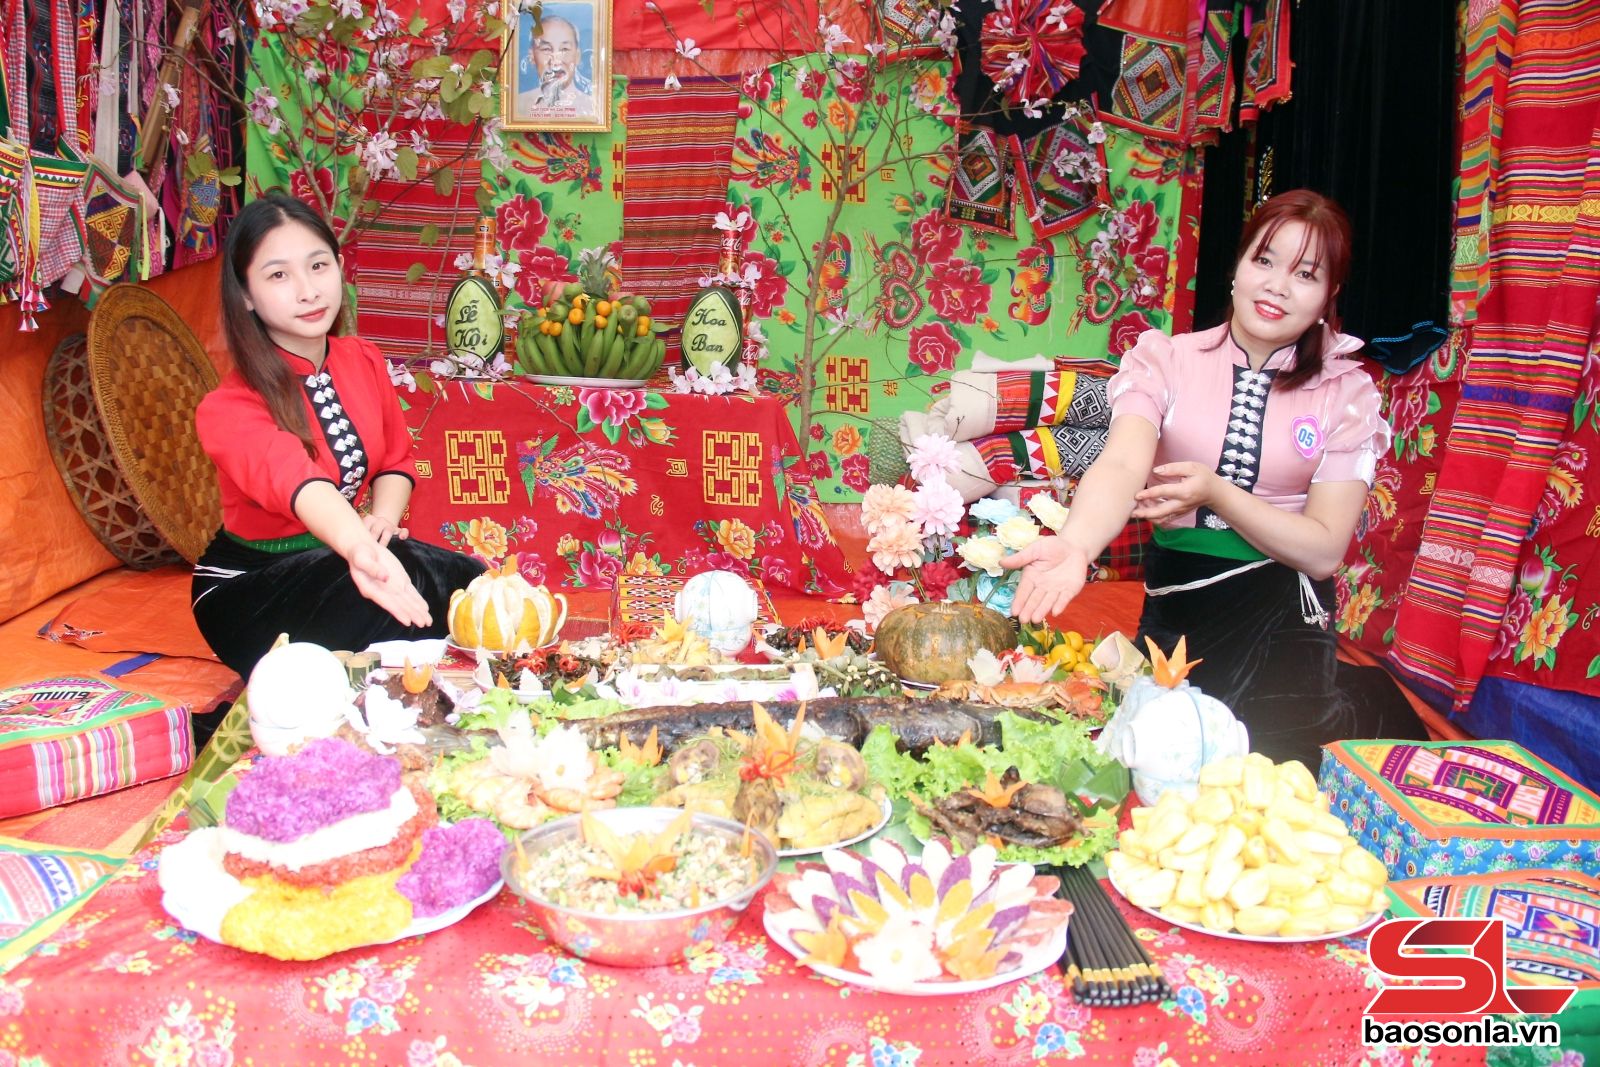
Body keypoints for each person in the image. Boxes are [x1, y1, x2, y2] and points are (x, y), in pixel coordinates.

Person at [1002, 189, 1426, 766]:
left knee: (1274, 766)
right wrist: (1076, 544)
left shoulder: (1345, 394)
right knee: (1155, 757)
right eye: (1264, 260)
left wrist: (1218, 493)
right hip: (1179, 601)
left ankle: (1355, 707)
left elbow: (1325, 550)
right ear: (1237, 267)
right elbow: (1123, 463)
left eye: (1305, 274)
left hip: (1286, 612)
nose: (1277, 285)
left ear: (1329, 295)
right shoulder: (1166, 360)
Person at [191, 194, 485, 679]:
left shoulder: (362, 359)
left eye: (318, 266)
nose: (308, 291)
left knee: (471, 582)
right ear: (245, 294)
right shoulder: (228, 407)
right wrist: (361, 550)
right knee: (394, 589)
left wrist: (382, 522)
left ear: (340, 268)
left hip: (341, 556)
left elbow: (395, 460)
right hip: (250, 589)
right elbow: (299, 481)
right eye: (278, 275)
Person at [515, 16, 594, 117]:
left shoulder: (592, 109)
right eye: (546, 49)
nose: (555, 62)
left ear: (577, 56)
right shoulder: (517, 106)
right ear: (532, 56)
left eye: (564, 49)